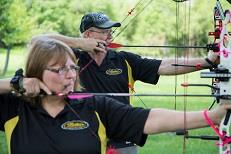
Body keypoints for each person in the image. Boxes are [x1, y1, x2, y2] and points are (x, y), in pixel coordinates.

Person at [30, 12, 219, 154]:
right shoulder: (70, 59)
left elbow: (165, 65)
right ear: (88, 35)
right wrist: (78, 44)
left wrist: (207, 61)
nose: (110, 36)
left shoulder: (124, 60)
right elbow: (37, 41)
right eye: (104, 32)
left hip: (122, 139)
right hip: (79, 136)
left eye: (110, 31)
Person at [0, 37, 229, 154]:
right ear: (36, 71)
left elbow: (151, 118)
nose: (69, 76)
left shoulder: (95, 106)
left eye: (72, 68)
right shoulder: (14, 108)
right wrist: (14, 83)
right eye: (59, 69)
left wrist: (213, 116)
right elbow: (39, 40)